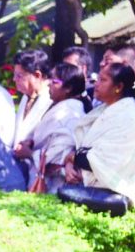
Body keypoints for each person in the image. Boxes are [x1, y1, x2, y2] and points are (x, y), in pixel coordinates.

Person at [64, 63, 135, 205]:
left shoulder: (126, 116)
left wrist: (72, 158)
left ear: (118, 87)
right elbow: (85, 148)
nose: (96, 84)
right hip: (98, 190)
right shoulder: (108, 109)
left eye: (103, 80)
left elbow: (105, 160)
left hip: (119, 193)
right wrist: (71, 162)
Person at [15, 63, 90, 193]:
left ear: (68, 88)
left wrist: (30, 153)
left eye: (54, 81)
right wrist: (32, 143)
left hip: (54, 186)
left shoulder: (70, 115)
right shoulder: (60, 107)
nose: (49, 83)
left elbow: (58, 158)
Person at [11, 50, 54, 154]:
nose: (14, 79)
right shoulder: (27, 96)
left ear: (37, 75)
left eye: (19, 76)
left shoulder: (51, 100)